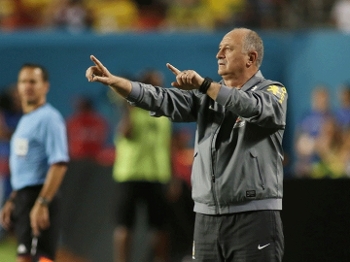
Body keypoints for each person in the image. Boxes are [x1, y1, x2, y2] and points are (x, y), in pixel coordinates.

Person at [86, 27, 287, 261]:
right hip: (206, 219)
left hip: (253, 217)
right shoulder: (206, 98)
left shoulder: (273, 91)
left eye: (227, 49)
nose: (218, 55)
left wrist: (205, 86)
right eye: (218, 49)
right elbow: (160, 97)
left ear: (251, 58)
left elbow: (251, 107)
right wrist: (117, 83)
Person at [0, 63, 69, 262]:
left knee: (40, 257)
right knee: (25, 256)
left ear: (45, 86)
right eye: (23, 81)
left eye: (33, 81)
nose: (27, 86)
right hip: (24, 197)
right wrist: (14, 198)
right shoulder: (26, 120)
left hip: (39, 195)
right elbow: (24, 165)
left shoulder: (49, 118)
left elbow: (59, 163)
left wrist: (42, 202)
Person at [111, 69, 172, 262]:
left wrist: (174, 177)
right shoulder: (131, 109)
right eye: (154, 84)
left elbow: (168, 145)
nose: (158, 88)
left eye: (160, 84)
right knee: (124, 226)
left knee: (160, 228)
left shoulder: (163, 112)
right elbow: (125, 133)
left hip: (158, 175)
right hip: (130, 174)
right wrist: (129, 107)